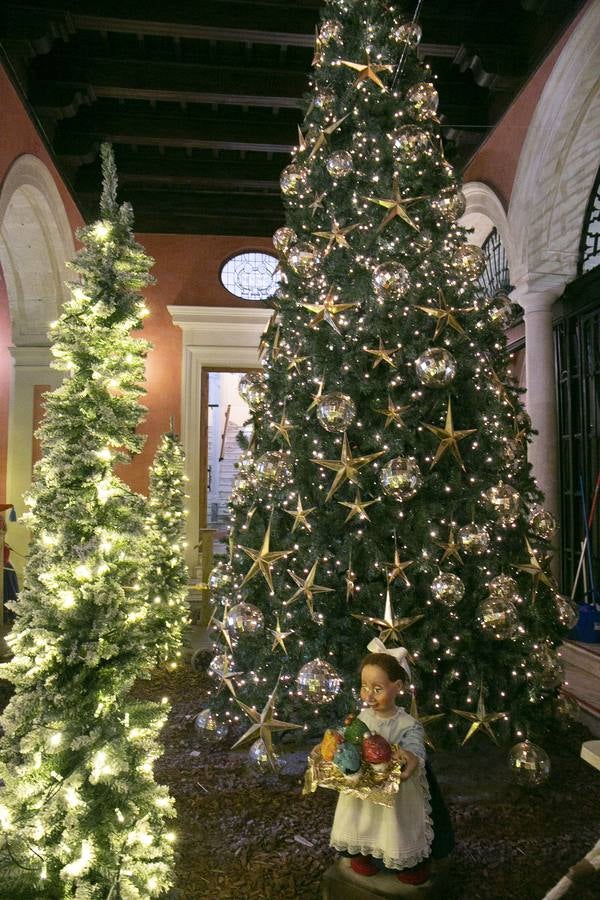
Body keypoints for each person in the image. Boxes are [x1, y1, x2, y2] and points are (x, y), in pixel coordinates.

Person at [329, 640, 435, 885]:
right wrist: (334, 740)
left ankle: (406, 861)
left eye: (377, 688)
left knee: (396, 825)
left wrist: (410, 756)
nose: (368, 695)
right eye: (364, 686)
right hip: (364, 786)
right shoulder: (363, 718)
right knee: (361, 820)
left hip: (396, 791)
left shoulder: (406, 723)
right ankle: (361, 853)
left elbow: (415, 746)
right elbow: (346, 735)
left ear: (397, 687)